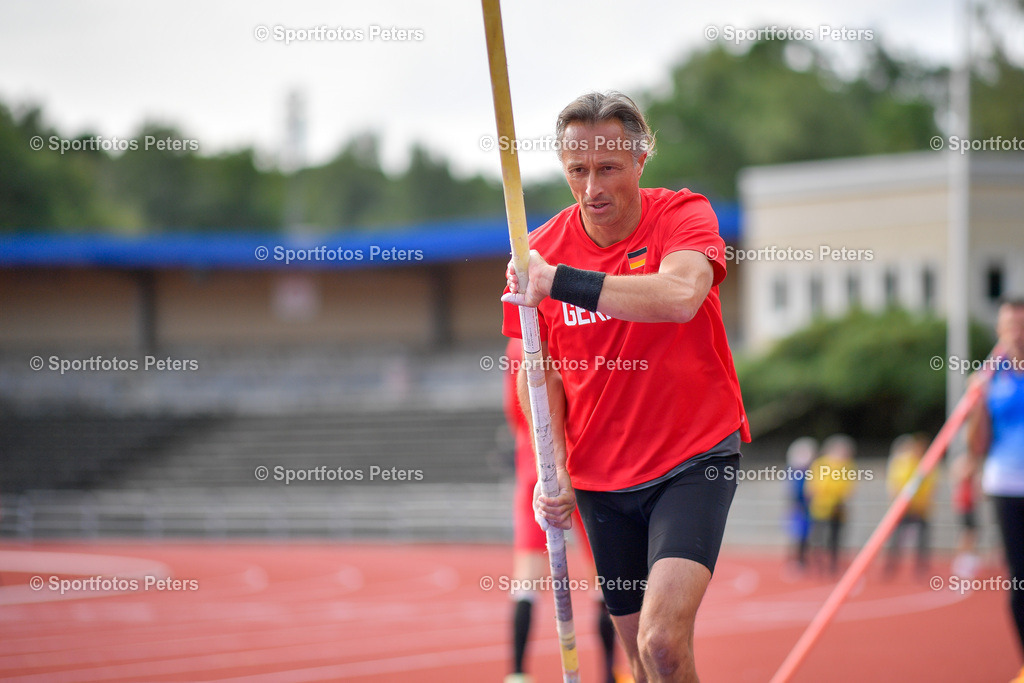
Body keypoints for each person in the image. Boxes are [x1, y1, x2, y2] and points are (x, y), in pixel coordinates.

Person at [501, 91, 749, 683]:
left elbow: (680, 296)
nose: (592, 188)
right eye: (577, 171)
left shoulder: (682, 216)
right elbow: (543, 373)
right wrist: (552, 466)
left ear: (641, 161)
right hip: (600, 479)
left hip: (693, 458)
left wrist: (558, 280)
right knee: (642, 663)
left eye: (608, 168)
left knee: (662, 641)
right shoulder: (536, 252)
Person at [502, 338, 624, 683]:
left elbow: (515, 412)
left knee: (526, 579)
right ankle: (609, 675)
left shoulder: (518, 342)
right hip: (576, 467)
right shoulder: (568, 330)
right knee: (602, 576)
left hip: (535, 468)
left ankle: (517, 674)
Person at [965, 297, 1024, 680]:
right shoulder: (992, 377)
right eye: (1008, 325)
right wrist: (977, 405)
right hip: (1006, 484)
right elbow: (977, 444)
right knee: (1019, 578)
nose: (1014, 332)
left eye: (1020, 324)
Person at [883, 433, 936, 578]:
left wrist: (924, 502)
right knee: (897, 539)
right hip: (904, 508)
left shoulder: (927, 464)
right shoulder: (904, 462)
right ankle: (890, 567)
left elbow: (930, 486)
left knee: (922, 540)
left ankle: (921, 568)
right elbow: (897, 484)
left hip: (920, 507)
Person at [805, 434, 857, 576]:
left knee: (835, 539)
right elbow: (814, 485)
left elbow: (848, 487)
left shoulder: (847, 465)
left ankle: (832, 566)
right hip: (821, 507)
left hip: (838, 507)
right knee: (819, 538)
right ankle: (818, 565)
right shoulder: (821, 464)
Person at [784, 437, 817, 574]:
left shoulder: (809, 471)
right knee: (797, 535)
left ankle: (803, 560)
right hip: (799, 507)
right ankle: (796, 561)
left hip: (808, 507)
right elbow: (793, 491)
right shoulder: (795, 472)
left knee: (805, 536)